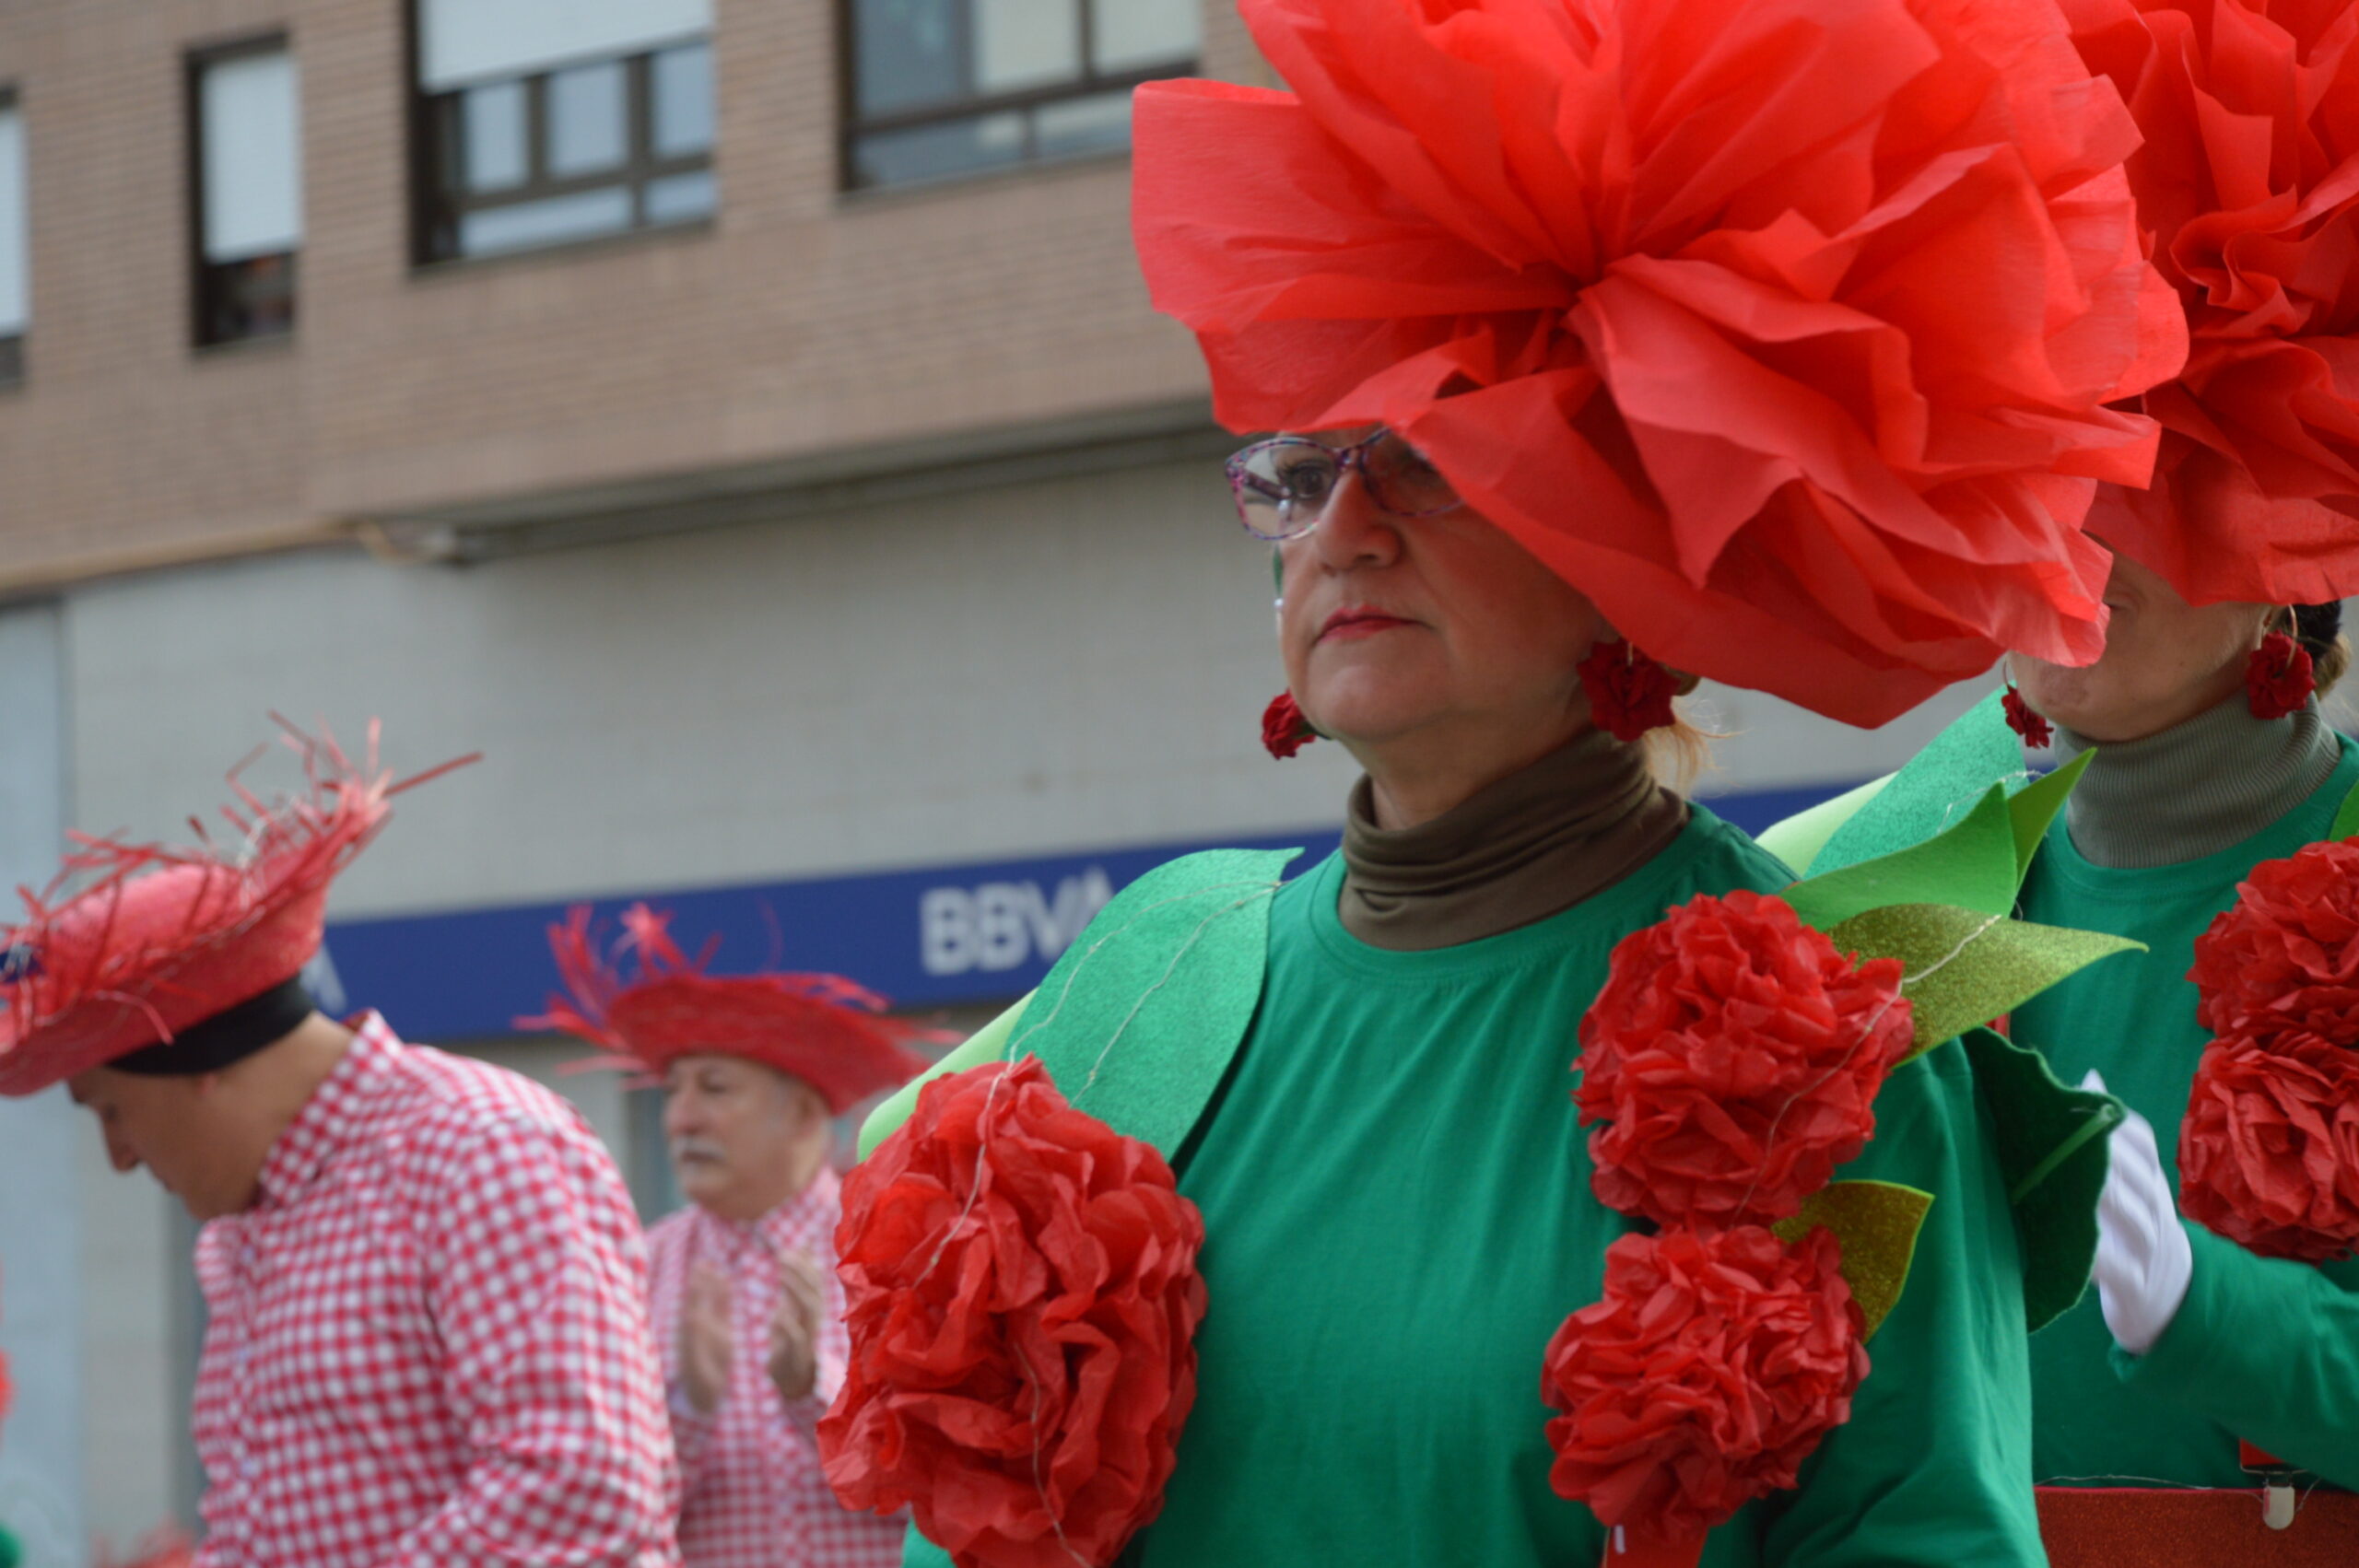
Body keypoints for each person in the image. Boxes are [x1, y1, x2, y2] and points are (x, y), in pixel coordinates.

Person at [825, 2, 2186, 1563]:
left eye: (1428, 456)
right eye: (1300, 470)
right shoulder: (1153, 962)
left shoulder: (1810, 1041)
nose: (1345, 528)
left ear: (1633, 546)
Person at [0, 725, 680, 1568]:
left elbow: (581, 1493)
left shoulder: (482, 1150)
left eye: (111, 1110)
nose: (122, 1156)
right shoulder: (251, 1228)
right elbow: (259, 1534)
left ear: (200, 1064)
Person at [522, 903, 935, 1568]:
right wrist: (687, 1409)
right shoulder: (633, 1267)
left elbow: (949, 1485)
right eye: (673, 1093)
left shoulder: (895, 1247)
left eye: (714, 1089)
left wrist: (815, 1395)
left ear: (802, 1111)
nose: (681, 1120)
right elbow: (592, 1512)